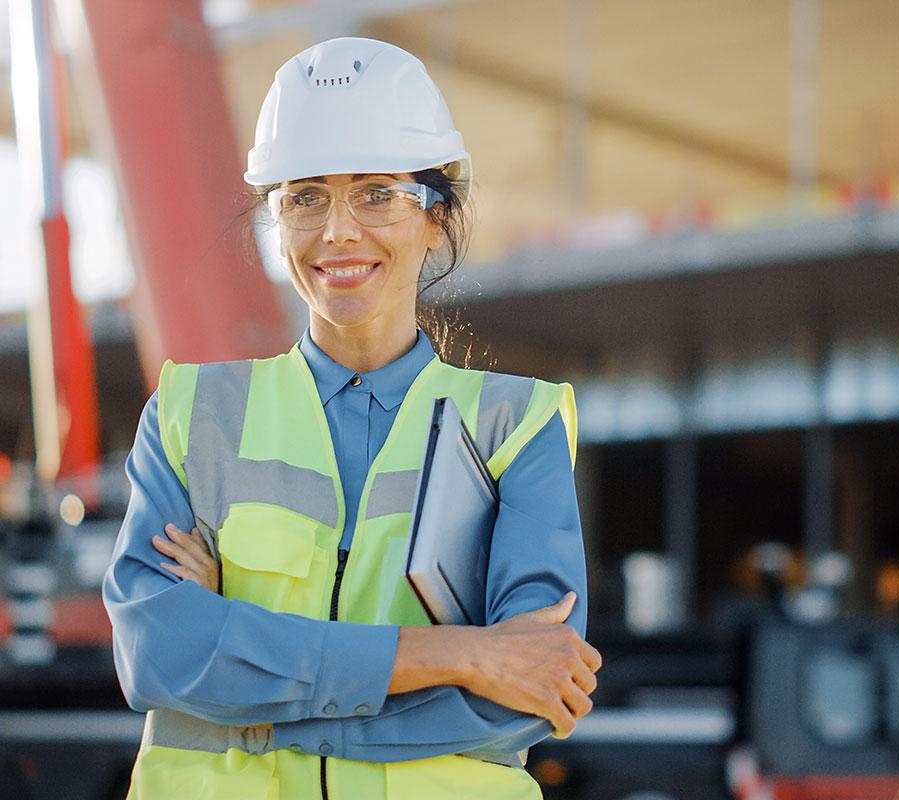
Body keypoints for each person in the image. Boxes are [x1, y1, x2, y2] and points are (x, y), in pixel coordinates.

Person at [103, 37, 600, 800]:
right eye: (305, 196)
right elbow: (159, 655)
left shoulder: (517, 427)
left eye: (377, 193)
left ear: (436, 218)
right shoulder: (189, 416)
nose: (338, 230)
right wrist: (461, 652)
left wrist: (247, 684)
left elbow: (522, 697)